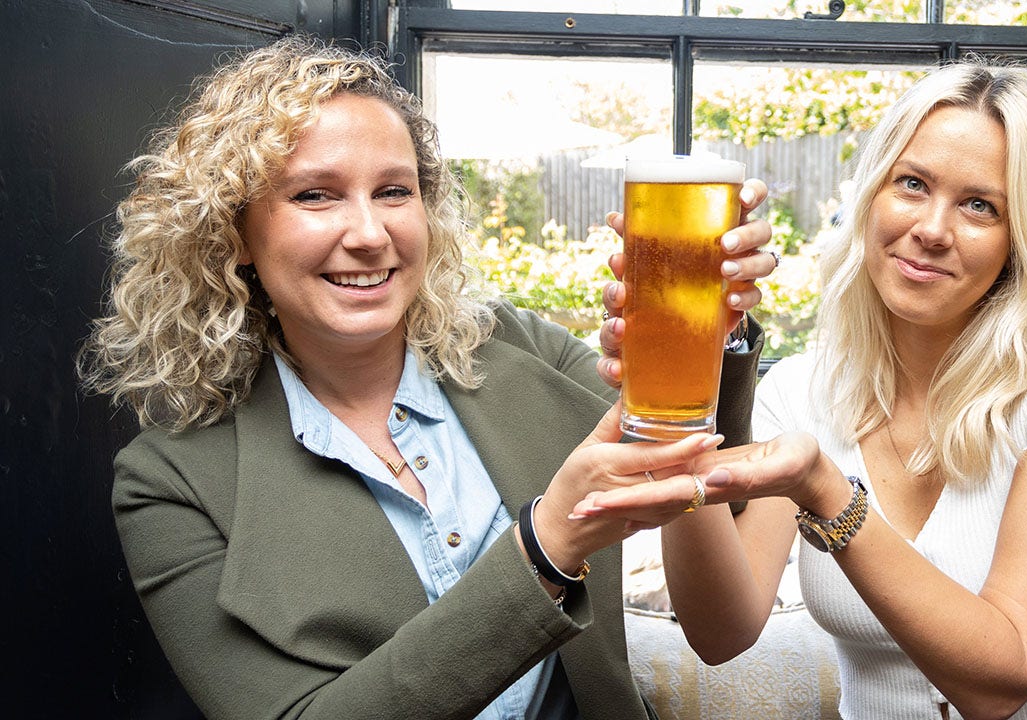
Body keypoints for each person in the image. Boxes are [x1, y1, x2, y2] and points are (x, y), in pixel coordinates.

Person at [78, 35, 777, 719]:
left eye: (393, 191)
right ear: (233, 234)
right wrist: (545, 547)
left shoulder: (519, 348)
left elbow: (708, 488)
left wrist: (709, 329)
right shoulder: (171, 484)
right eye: (315, 195)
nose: (369, 234)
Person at [581, 58, 1027, 720]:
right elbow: (721, 633)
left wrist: (830, 495)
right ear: (869, 197)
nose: (933, 229)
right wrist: (685, 391)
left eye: (980, 205)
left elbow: (1004, 681)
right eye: (912, 184)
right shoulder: (802, 390)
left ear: (1024, 235)